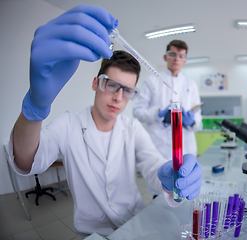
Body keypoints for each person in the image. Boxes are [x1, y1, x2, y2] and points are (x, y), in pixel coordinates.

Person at [7, 5, 202, 238]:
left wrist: (168, 174)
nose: (119, 97)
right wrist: (35, 107)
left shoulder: (131, 129)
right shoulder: (69, 124)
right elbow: (27, 162)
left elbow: (152, 165)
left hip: (137, 225)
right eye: (111, 84)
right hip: (92, 234)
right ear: (95, 83)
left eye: (128, 90)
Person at [133, 40, 202, 196]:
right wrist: (158, 114)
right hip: (160, 149)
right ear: (165, 57)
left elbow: (198, 122)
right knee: (161, 193)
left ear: (185, 60)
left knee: (186, 190)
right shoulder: (152, 81)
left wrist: (191, 121)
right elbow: (137, 111)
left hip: (187, 148)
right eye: (172, 54)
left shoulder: (191, 84)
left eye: (181, 55)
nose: (176, 58)